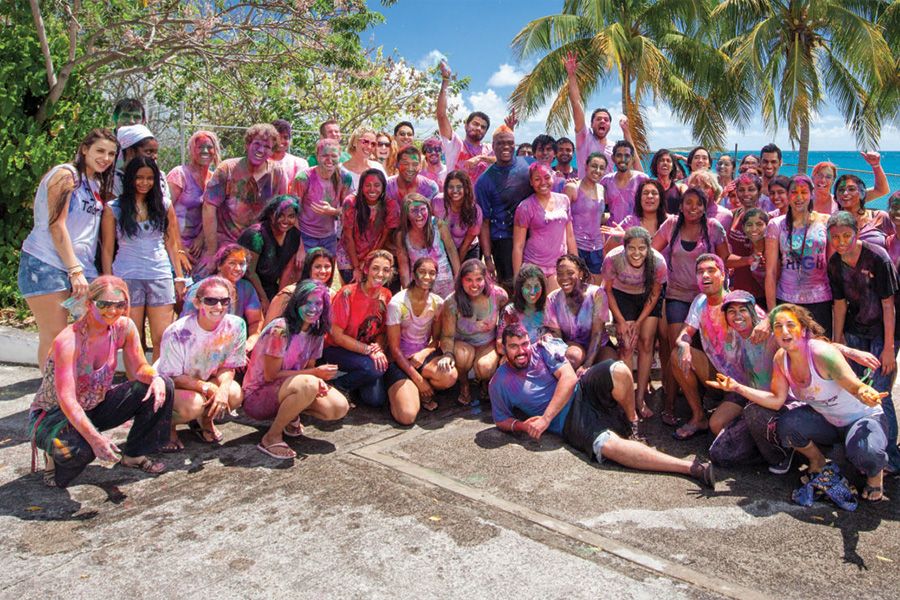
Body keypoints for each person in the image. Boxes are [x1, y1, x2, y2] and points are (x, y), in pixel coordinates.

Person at [490, 326, 715, 488]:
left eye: (524, 344)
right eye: (513, 347)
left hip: (582, 389)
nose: (521, 351)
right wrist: (521, 426)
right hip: (569, 420)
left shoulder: (542, 350)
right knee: (608, 445)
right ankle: (690, 468)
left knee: (616, 368)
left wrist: (544, 419)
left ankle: (631, 421)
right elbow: (501, 419)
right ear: (503, 348)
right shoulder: (500, 382)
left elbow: (568, 379)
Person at [708, 304, 890, 502]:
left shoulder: (821, 353)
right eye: (778, 326)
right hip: (827, 420)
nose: (784, 331)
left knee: (867, 452)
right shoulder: (781, 358)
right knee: (788, 425)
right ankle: (817, 460)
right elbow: (776, 400)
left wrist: (865, 391)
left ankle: (875, 476)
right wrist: (736, 387)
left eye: (790, 325)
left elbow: (854, 386)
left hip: (861, 417)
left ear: (803, 330)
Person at [29, 276, 174, 487]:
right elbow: (67, 399)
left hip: (95, 405)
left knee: (163, 385)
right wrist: (96, 439)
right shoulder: (69, 341)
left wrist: (155, 377)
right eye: (104, 304)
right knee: (81, 452)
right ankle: (53, 454)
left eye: (120, 305)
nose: (112, 311)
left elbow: (139, 368)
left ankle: (134, 454)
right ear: (89, 304)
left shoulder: (123, 327)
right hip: (55, 414)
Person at [19, 129, 118, 370]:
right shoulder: (66, 175)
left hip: (81, 270)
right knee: (55, 336)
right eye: (100, 151)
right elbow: (56, 225)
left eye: (112, 154)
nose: (105, 158)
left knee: (91, 330)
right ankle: (51, 401)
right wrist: (74, 270)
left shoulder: (94, 183)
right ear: (85, 149)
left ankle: (77, 392)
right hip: (46, 264)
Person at [243, 280, 349, 460]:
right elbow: (271, 376)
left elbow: (308, 368)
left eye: (318, 303)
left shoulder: (316, 331)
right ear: (296, 303)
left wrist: (317, 378)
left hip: (290, 387)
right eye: (306, 302)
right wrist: (314, 375)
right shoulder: (280, 329)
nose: (312, 308)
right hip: (258, 395)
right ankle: (271, 437)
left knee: (338, 407)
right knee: (308, 384)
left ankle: (290, 415)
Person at [827, 211, 900, 472]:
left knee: (881, 393)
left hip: (883, 332)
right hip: (855, 330)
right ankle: (859, 445)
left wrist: (889, 348)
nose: (842, 241)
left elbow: (888, 304)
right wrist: (837, 343)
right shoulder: (835, 263)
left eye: (847, 235)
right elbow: (838, 305)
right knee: (857, 389)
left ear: (857, 233)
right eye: (836, 237)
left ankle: (889, 454)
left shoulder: (878, 258)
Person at [652, 187, 730, 425]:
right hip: (676, 296)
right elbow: (652, 252)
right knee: (678, 350)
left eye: (698, 204)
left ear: (705, 207)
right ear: (681, 204)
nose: (693, 207)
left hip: (705, 300)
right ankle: (671, 404)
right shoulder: (671, 224)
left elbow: (725, 260)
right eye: (688, 203)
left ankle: (699, 402)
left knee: (702, 351)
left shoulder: (714, 228)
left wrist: (751, 260)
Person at [101, 156, 185, 362]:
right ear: (130, 179)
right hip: (127, 277)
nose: (144, 182)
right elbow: (107, 249)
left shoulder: (164, 205)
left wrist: (179, 277)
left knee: (161, 337)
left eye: (149, 178)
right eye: (139, 177)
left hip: (160, 275)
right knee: (132, 337)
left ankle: (156, 382)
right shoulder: (114, 208)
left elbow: (172, 244)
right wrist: (108, 282)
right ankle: (136, 385)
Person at [670, 254, 763, 441]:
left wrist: (764, 325)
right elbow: (684, 333)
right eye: (700, 272)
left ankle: (751, 416)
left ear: (723, 275)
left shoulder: (737, 302)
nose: (705, 276)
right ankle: (698, 417)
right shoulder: (700, 302)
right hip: (718, 375)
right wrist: (684, 344)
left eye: (711, 271)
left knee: (717, 425)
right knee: (677, 355)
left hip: (746, 383)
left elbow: (768, 324)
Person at [157, 276, 245, 448]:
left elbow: (228, 366)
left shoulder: (236, 326)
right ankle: (165, 425)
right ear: (197, 303)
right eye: (211, 301)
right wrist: (207, 388)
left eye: (224, 301)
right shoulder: (177, 332)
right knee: (194, 404)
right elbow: (171, 378)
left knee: (234, 393)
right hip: (171, 386)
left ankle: (205, 420)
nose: (218, 307)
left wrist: (223, 390)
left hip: (203, 380)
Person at [201, 123, 289, 271]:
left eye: (267, 147)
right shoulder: (227, 169)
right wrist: (211, 250)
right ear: (248, 144)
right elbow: (209, 207)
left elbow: (281, 212)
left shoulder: (277, 174)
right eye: (257, 144)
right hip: (227, 243)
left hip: (258, 245)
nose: (261, 150)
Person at [603, 227, 667, 419]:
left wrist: (639, 322)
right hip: (622, 296)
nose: (637, 253)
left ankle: (640, 399)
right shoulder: (613, 259)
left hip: (647, 297)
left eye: (641, 248)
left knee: (646, 342)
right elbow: (607, 290)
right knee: (627, 345)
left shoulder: (658, 262)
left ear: (648, 249)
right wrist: (621, 321)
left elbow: (655, 293)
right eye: (632, 248)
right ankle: (627, 399)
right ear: (624, 247)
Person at [385, 257, 458, 421]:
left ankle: (418, 391)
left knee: (449, 376)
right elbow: (394, 350)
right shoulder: (397, 304)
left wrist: (425, 352)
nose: (427, 277)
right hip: (399, 362)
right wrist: (418, 380)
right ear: (413, 274)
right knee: (407, 417)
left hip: (422, 359)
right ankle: (409, 390)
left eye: (432, 273)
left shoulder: (437, 303)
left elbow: (436, 340)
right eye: (422, 272)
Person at [323, 250, 393, 408]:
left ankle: (355, 379)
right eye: (375, 268)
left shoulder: (386, 295)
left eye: (386, 270)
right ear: (366, 269)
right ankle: (337, 385)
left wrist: (378, 348)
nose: (380, 274)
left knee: (376, 400)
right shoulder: (347, 293)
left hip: (365, 353)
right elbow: (337, 335)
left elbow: (382, 332)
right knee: (373, 369)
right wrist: (368, 350)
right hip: (336, 349)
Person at [764, 175, 833, 336]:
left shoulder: (825, 222)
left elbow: (832, 266)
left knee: (820, 352)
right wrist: (772, 312)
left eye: (804, 192)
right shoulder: (776, 225)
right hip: (787, 300)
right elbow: (771, 271)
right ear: (788, 195)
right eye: (794, 192)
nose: (799, 197)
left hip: (820, 300)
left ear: (812, 194)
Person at [441, 259, 508, 405]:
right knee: (463, 355)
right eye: (469, 280)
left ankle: (485, 383)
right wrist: (447, 354)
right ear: (461, 281)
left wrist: (501, 342)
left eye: (479, 279)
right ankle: (464, 384)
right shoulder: (451, 302)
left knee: (485, 367)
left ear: (485, 278)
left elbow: (506, 317)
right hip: (463, 344)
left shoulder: (498, 295)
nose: (474, 285)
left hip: (487, 343)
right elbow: (447, 335)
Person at [475, 124, 533, 288]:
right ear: (492, 146)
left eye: (509, 142)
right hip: (503, 241)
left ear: (515, 144)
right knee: (510, 287)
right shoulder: (484, 181)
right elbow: (484, 222)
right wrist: (487, 258)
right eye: (500, 143)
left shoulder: (528, 166)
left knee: (533, 285)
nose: (505, 146)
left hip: (532, 237)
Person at [182, 244, 262, 352]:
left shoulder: (246, 288)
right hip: (198, 348)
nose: (238, 268)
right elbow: (187, 328)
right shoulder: (201, 289)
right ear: (219, 265)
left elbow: (256, 321)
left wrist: (249, 343)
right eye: (232, 263)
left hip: (231, 346)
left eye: (242, 264)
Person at [564, 52, 631, 178]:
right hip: (585, 194)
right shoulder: (585, 138)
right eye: (598, 119)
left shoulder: (614, 148)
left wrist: (626, 132)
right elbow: (576, 104)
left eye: (606, 120)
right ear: (591, 123)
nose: (602, 121)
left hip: (607, 196)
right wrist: (571, 75)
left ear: (610, 125)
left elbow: (627, 165)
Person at [544, 254, 614, 372]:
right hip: (572, 345)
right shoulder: (552, 299)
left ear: (580, 274)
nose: (564, 278)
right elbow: (557, 336)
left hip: (599, 345)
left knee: (610, 367)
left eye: (570, 273)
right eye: (560, 274)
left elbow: (597, 333)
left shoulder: (597, 294)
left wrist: (587, 365)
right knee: (573, 356)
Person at [513, 163, 577, 290]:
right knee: (536, 308)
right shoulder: (525, 207)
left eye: (547, 177)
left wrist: (576, 265)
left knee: (558, 306)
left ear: (553, 177)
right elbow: (518, 246)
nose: (543, 182)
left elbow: (570, 236)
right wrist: (517, 277)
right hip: (534, 267)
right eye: (537, 179)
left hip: (559, 267)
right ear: (531, 182)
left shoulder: (564, 200)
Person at [237, 195, 302, 313]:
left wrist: (279, 299)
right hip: (247, 286)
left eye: (291, 216)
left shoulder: (294, 235)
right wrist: (264, 299)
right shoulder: (256, 235)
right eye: (280, 215)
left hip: (270, 287)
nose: (286, 220)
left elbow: (287, 270)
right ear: (271, 215)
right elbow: (249, 272)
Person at [167, 130, 220, 267]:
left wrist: (202, 237)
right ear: (192, 150)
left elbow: (215, 214)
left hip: (200, 248)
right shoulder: (179, 174)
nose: (205, 151)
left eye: (209, 147)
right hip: (173, 244)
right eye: (200, 147)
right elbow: (164, 211)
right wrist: (179, 247)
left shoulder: (214, 180)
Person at [293, 138, 353, 255]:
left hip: (330, 236)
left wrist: (334, 212)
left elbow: (349, 209)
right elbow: (292, 213)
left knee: (326, 272)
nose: (329, 160)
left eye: (334, 156)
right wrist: (299, 247)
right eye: (325, 155)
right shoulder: (304, 178)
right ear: (317, 156)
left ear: (339, 156)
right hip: (305, 235)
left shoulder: (345, 177)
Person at [437, 62, 495, 182]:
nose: (479, 128)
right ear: (466, 125)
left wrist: (481, 158)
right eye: (475, 124)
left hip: (481, 200)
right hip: (456, 198)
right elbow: (441, 116)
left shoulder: (488, 149)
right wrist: (445, 82)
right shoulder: (455, 145)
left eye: (483, 127)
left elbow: (504, 160)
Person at [398, 194, 459, 298]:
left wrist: (458, 278)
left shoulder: (438, 225)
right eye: (413, 211)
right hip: (419, 286)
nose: (419, 215)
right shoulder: (402, 235)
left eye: (423, 209)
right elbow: (403, 267)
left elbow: (452, 251)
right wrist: (408, 292)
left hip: (446, 284)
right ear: (406, 214)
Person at [337, 168, 392, 284]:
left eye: (377, 185)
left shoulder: (389, 204)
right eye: (368, 185)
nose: (372, 189)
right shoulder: (351, 202)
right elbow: (348, 237)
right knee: (353, 286)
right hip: (349, 254)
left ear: (383, 187)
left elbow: (383, 237)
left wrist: (369, 261)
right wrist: (356, 267)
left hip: (371, 253)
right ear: (361, 187)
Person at [565, 152, 607, 283]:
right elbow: (563, 220)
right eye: (594, 166)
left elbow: (598, 217)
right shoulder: (572, 187)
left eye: (601, 168)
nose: (597, 170)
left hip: (597, 248)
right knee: (575, 288)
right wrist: (570, 250)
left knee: (595, 290)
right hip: (577, 246)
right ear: (586, 166)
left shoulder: (602, 189)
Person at [267, 246, 337, 325]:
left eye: (327, 266)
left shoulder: (332, 295)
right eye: (317, 267)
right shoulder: (289, 294)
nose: (323, 271)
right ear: (308, 269)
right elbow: (268, 329)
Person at [833, 173, 894, 250]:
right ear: (836, 196)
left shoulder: (880, 217)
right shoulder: (832, 222)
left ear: (862, 193)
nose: (845, 193)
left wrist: (876, 165)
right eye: (841, 190)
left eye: (851, 189)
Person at [432, 170, 483, 262]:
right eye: (451, 187)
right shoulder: (437, 202)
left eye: (459, 187)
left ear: (466, 188)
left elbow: (465, 246)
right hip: (443, 250)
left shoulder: (475, 211)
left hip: (468, 250)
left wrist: (457, 267)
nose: (455, 191)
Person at [386, 145, 440, 228]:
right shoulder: (387, 187)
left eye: (415, 164)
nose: (410, 168)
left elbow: (436, 221)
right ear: (397, 164)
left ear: (420, 166)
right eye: (405, 163)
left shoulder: (430, 188)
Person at [727, 207, 770, 307]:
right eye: (749, 225)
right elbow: (727, 260)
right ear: (743, 227)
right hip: (744, 299)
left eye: (759, 224)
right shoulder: (744, 246)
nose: (754, 229)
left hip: (768, 301)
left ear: (767, 226)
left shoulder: (772, 248)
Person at [497, 264, 549, 345]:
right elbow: (499, 343)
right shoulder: (510, 311)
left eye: (536, 286)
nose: (532, 292)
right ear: (520, 288)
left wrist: (549, 338)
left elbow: (557, 336)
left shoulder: (548, 308)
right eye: (528, 287)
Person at [600, 140, 648, 225]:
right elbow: (597, 205)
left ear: (633, 159)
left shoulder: (642, 179)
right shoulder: (606, 181)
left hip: (635, 233)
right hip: (612, 232)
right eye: (619, 155)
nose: (623, 159)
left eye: (627, 156)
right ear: (613, 158)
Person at [342, 126, 386, 191]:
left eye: (373, 144)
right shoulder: (341, 170)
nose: (369, 147)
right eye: (365, 142)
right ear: (354, 142)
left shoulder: (377, 167)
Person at [650, 149, 686, 214]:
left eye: (668, 161)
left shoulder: (680, 187)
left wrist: (682, 158)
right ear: (655, 164)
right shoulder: (650, 186)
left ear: (672, 167)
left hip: (675, 223)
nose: (665, 163)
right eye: (661, 160)